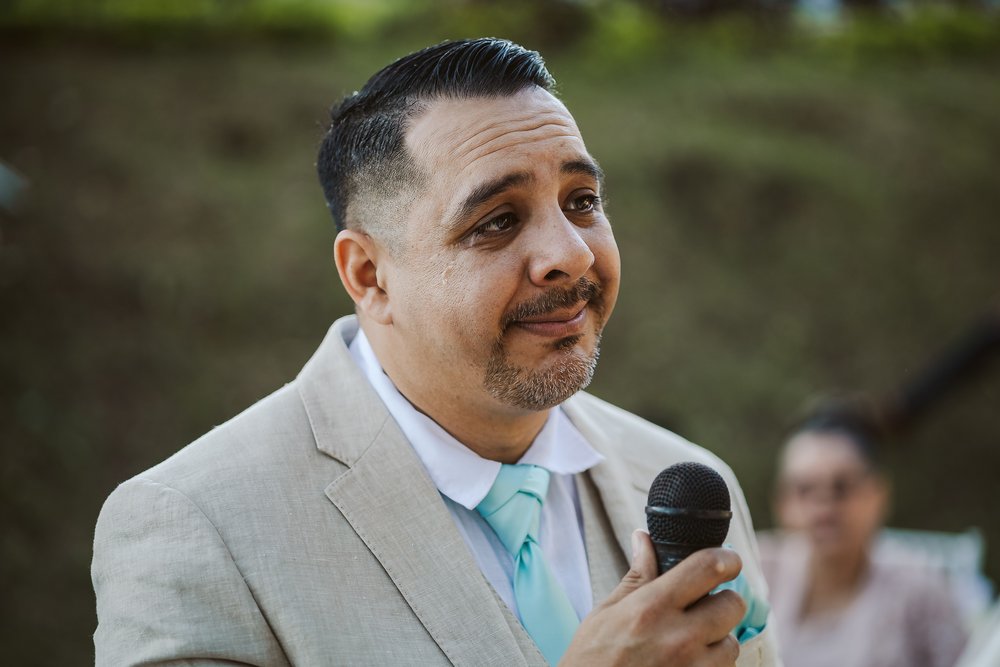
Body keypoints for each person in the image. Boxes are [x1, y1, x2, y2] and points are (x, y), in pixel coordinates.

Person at [92, 38, 778, 666]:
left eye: (582, 200)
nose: (571, 253)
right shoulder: (196, 525)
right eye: (498, 220)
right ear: (369, 275)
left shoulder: (683, 485)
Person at [759, 407, 967, 667]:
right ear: (781, 501)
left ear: (878, 494)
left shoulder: (921, 591)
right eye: (805, 490)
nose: (823, 508)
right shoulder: (756, 571)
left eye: (841, 488)